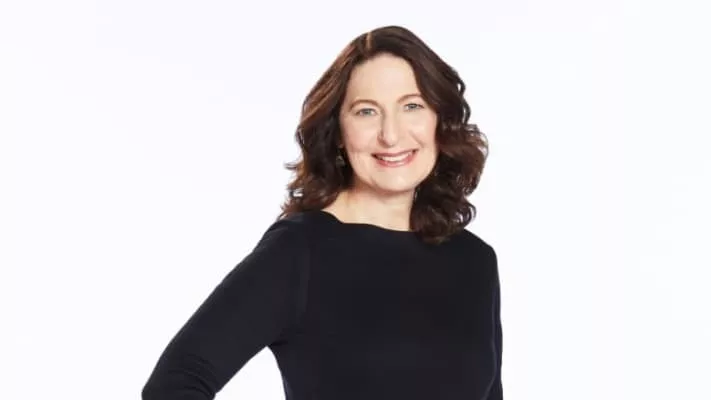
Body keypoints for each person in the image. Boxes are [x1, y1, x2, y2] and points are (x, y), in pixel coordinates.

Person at [141, 25, 503, 400]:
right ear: (339, 133)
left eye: (412, 106)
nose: (391, 135)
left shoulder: (474, 261)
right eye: (366, 112)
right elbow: (176, 383)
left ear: (439, 120)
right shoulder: (301, 251)